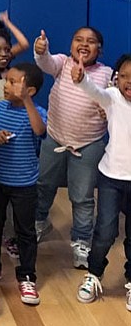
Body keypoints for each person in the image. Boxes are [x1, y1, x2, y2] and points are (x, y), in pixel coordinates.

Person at [33, 27, 112, 268]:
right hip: (55, 138)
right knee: (44, 184)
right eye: (78, 39)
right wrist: (41, 50)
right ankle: (38, 222)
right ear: (70, 46)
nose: (84, 44)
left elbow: (112, 102)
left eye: (91, 41)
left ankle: (81, 242)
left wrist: (106, 111)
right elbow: (45, 62)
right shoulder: (62, 63)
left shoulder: (107, 73)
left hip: (88, 144)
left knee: (82, 196)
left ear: (100, 49)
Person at [0, 63, 47, 305]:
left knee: (25, 230)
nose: (5, 86)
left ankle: (27, 275)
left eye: (12, 82)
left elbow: (40, 130)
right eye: (6, 81)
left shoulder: (37, 111)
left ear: (29, 90)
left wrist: (27, 102)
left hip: (24, 184)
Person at [73, 54, 131, 308]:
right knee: (105, 231)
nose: (129, 81)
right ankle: (94, 274)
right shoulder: (112, 98)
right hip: (110, 177)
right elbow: (94, 91)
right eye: (125, 76)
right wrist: (82, 79)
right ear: (117, 78)